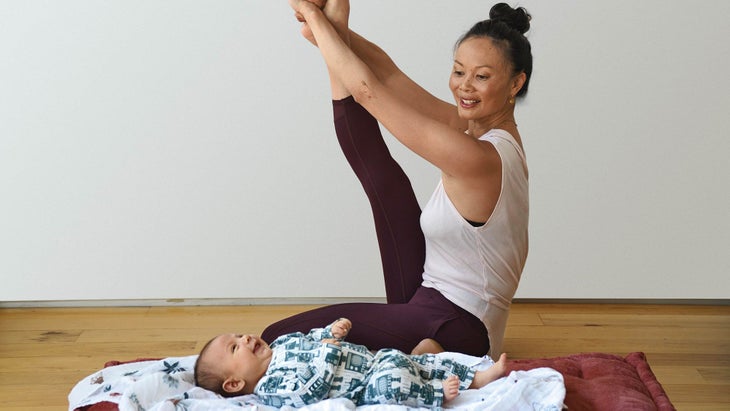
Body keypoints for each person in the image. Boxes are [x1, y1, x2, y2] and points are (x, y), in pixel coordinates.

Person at [262, 0, 532, 358]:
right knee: (386, 183)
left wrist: (311, 14)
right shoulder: (480, 131)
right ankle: (417, 353)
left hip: (459, 326)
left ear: (515, 84)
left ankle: (430, 358)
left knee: (276, 337)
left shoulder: (479, 158)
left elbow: (368, 92)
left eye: (481, 76)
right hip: (433, 298)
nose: (465, 87)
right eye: (458, 72)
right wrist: (334, 29)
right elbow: (388, 76)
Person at [194, 318, 508, 408]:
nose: (246, 338)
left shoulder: (282, 344)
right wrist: (329, 350)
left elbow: (311, 336)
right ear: (235, 383)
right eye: (236, 347)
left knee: (422, 361)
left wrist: (330, 332)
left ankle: (476, 378)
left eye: (239, 334)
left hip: (372, 359)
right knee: (395, 384)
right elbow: (309, 390)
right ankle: (436, 394)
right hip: (365, 386)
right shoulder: (272, 387)